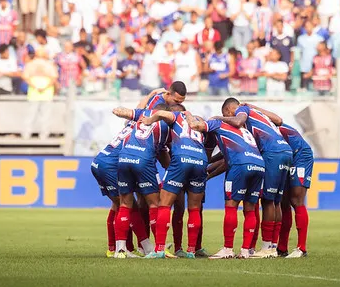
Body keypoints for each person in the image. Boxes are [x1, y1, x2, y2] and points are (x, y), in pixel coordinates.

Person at [215, 97, 293, 258]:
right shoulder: (257, 113)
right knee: (275, 200)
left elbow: (237, 121)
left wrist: (218, 118)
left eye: (227, 114)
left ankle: (266, 247)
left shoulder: (241, 110)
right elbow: (278, 120)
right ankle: (272, 245)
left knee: (267, 200)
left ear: (229, 110)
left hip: (272, 153)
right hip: (285, 152)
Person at [187, 112, 264, 259]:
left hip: (240, 165)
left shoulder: (217, 123)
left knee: (231, 205)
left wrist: (188, 115)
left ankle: (228, 249)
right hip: (259, 165)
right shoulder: (244, 131)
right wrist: (208, 174)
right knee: (250, 208)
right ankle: (246, 250)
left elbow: (195, 125)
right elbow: (225, 160)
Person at [137, 107, 206, 259]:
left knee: (164, 204)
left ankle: (159, 249)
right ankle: (191, 251)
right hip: (201, 160)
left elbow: (161, 114)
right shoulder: (198, 120)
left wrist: (149, 120)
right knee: (194, 208)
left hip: (182, 157)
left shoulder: (176, 116)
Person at [109, 104, 171, 258]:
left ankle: (120, 250)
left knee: (124, 204)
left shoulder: (141, 116)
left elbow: (118, 111)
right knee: (154, 204)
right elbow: (164, 153)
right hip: (143, 160)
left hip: (123, 158)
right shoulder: (167, 123)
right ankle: (158, 248)